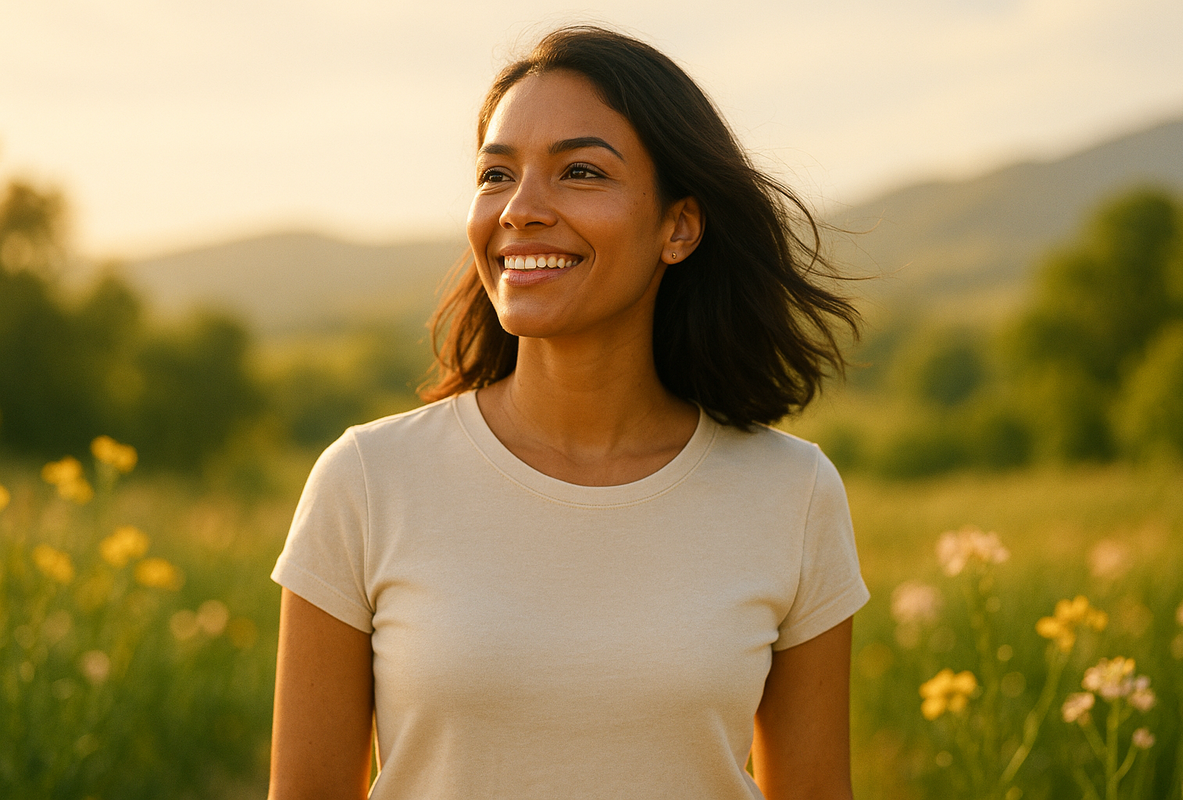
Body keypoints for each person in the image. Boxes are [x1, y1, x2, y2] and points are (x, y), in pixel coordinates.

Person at [269, 25, 869, 800]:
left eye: (580, 171)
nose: (520, 210)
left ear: (679, 226)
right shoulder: (368, 480)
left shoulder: (793, 493)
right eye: (495, 174)